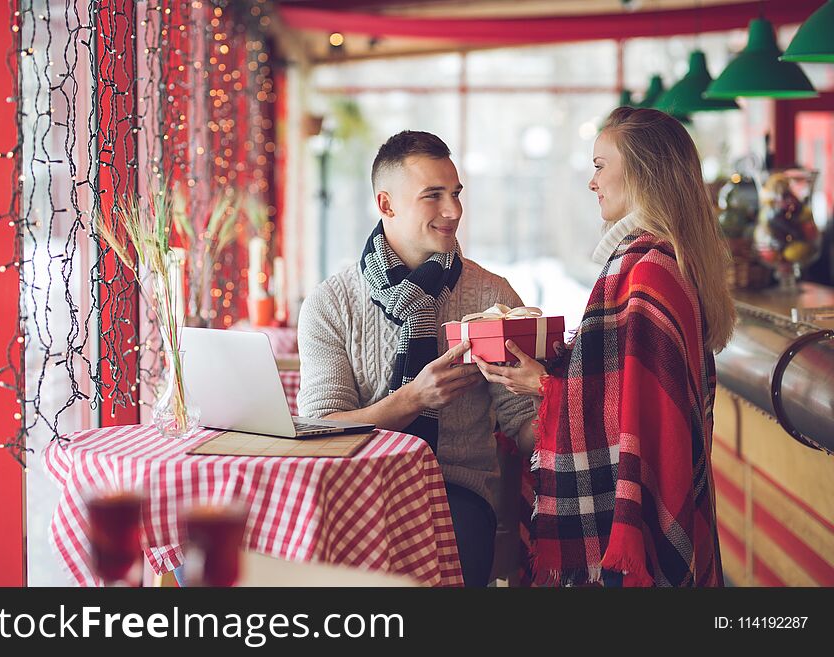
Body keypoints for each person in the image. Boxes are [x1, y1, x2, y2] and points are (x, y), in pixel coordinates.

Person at [473, 107, 735, 587]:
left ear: (641, 172)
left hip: (631, 517)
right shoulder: (657, 257)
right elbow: (625, 389)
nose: (592, 182)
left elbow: (629, 414)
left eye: (599, 165)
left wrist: (543, 384)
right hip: (655, 497)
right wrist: (558, 362)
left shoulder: (646, 268)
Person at [297, 130, 537, 587]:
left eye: (456, 194)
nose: (454, 211)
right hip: (353, 486)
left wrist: (561, 397)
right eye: (434, 196)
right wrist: (412, 399)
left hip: (457, 492)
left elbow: (523, 424)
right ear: (386, 205)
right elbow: (320, 429)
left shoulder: (493, 296)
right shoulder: (331, 303)